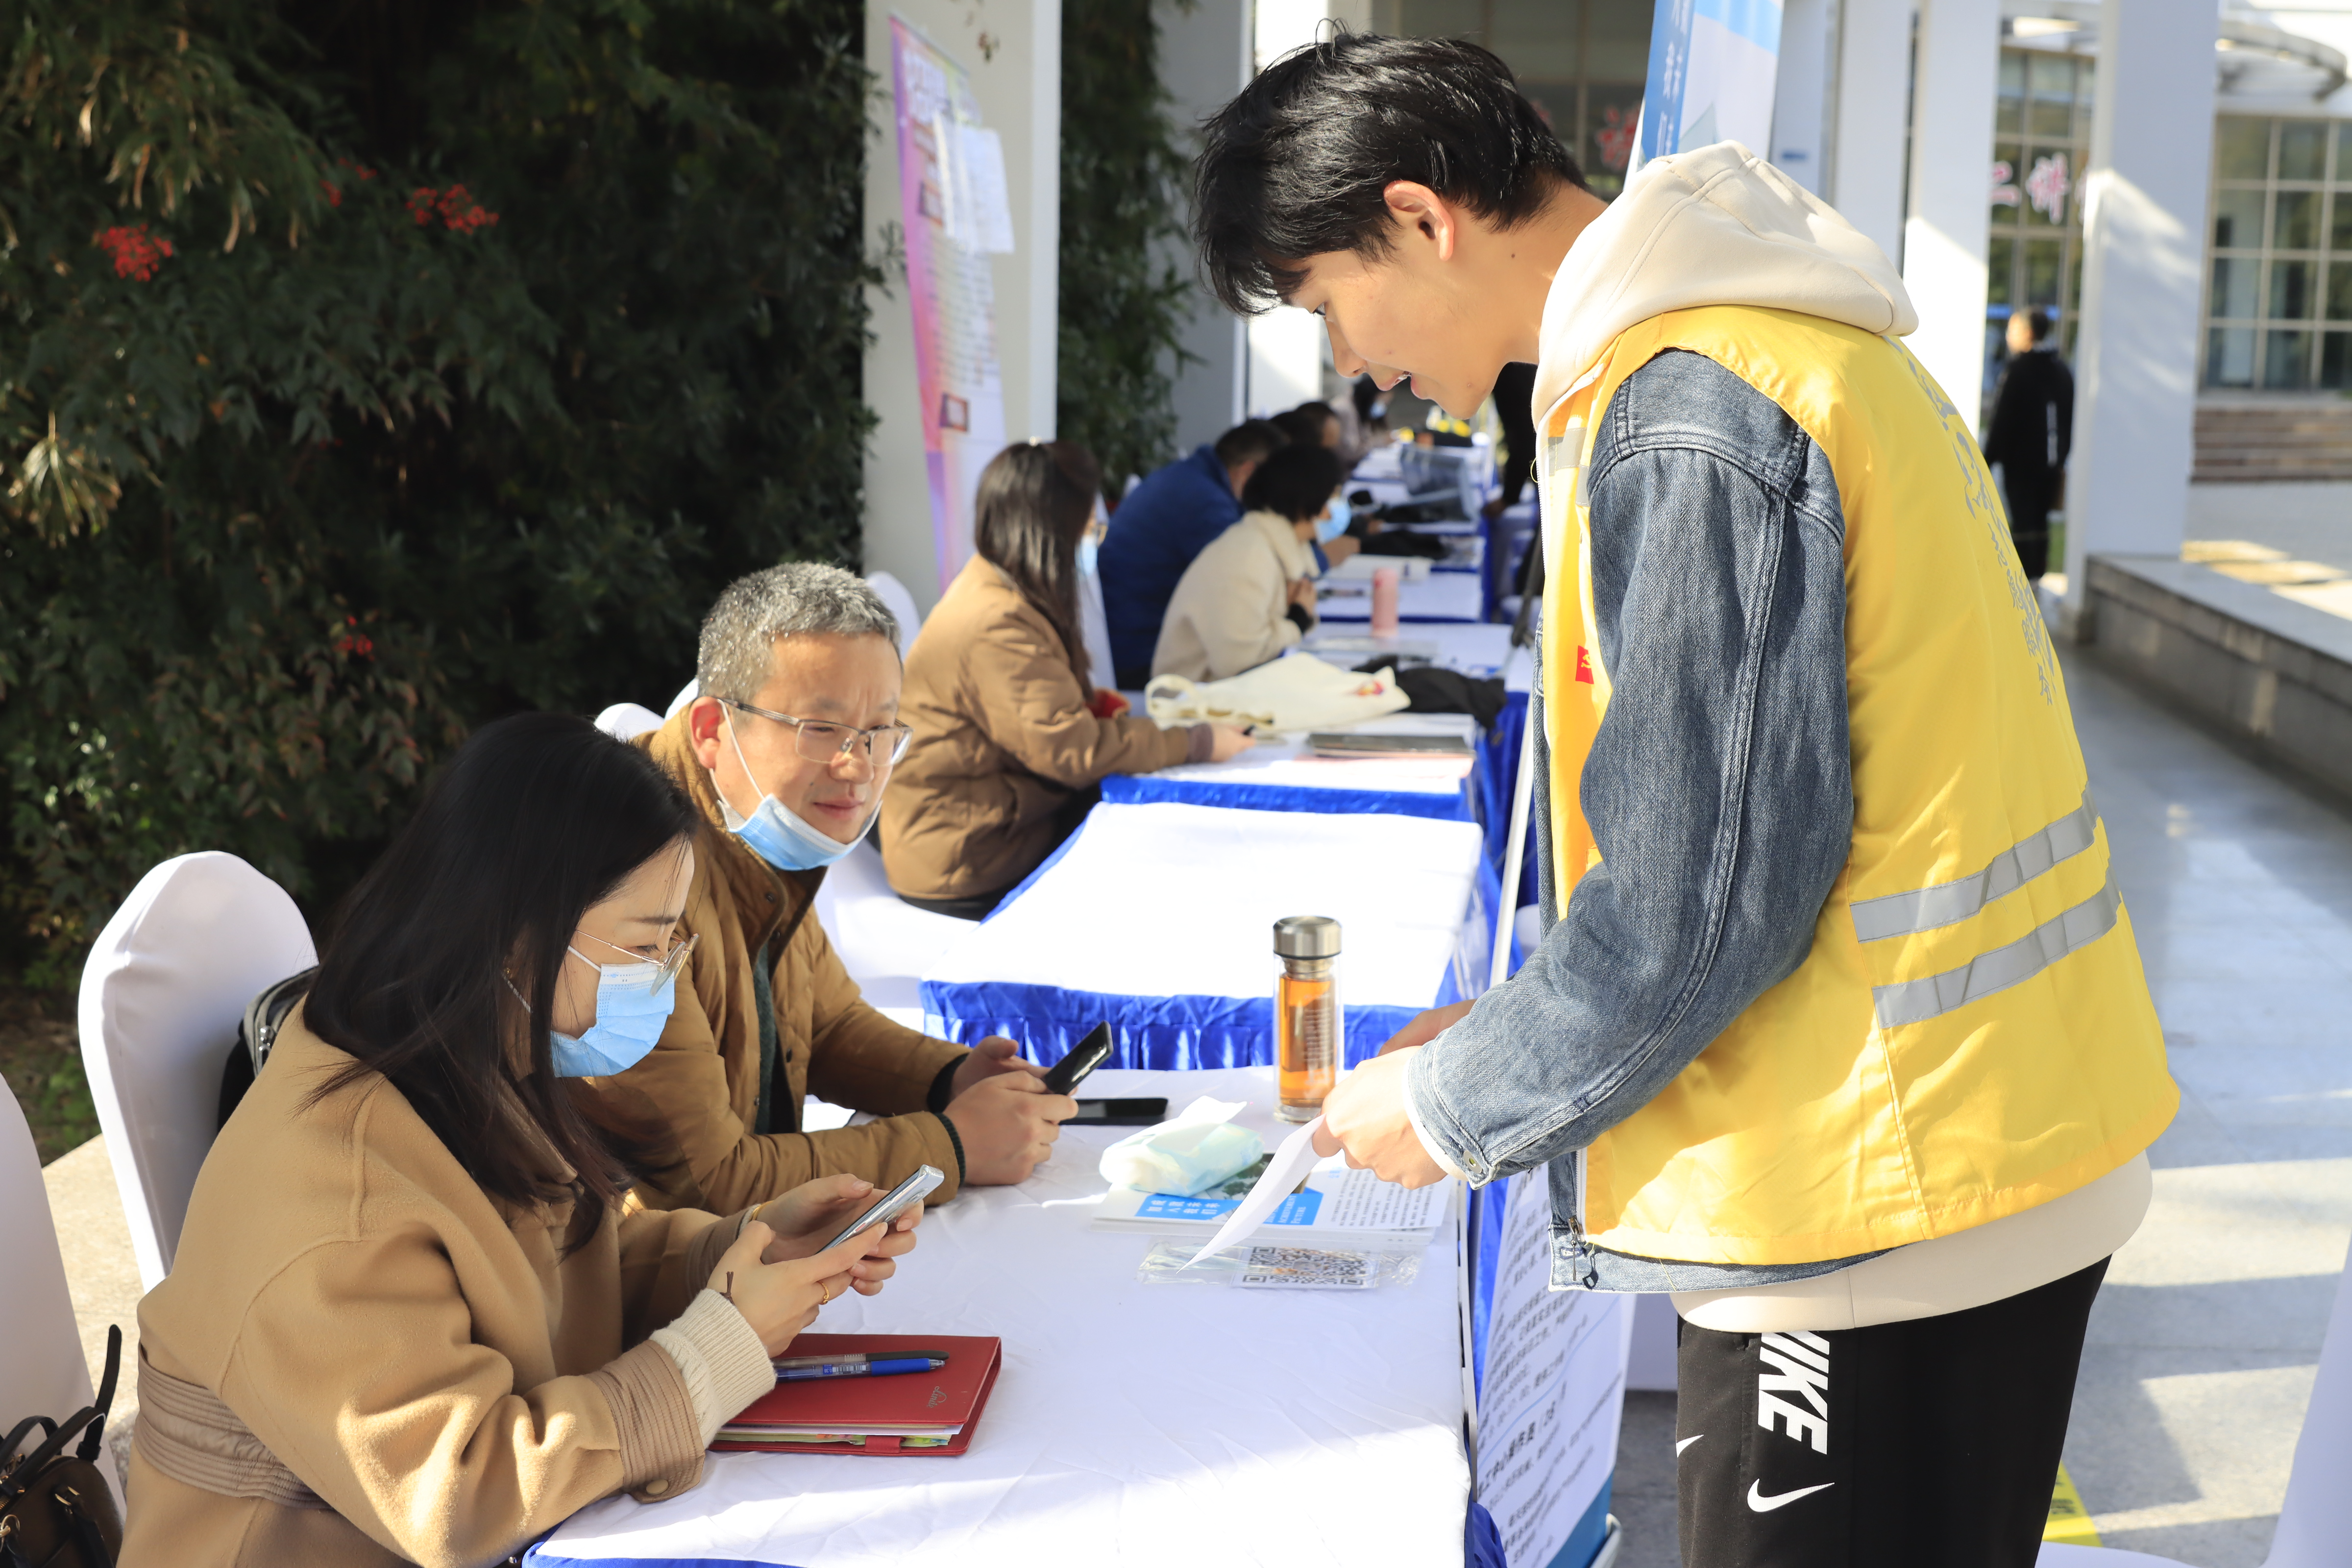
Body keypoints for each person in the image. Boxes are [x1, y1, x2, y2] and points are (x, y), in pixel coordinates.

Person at [1194, 36, 2175, 1568]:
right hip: (1958, 1143)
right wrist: (1512, 1019)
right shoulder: (1771, 355)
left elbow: (1701, 902)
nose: (1351, 360)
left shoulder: (1691, 411)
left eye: (1326, 301)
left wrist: (1455, 1108)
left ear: (1419, 217)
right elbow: (1765, 829)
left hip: (1870, 1203)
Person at [125, 714, 921, 1567]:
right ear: (518, 933)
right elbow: (456, 1499)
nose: (666, 974)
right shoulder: (340, 1184)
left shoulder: (463, 1062)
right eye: (646, 944)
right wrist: (716, 1351)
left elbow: (563, 1267)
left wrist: (743, 1246)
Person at [571, 564, 1076, 1216]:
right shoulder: (629, 878)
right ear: (712, 731)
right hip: (640, 1256)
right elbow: (705, 1180)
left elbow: (826, 1025)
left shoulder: (759, 825)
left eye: (880, 732)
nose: (858, 767)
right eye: (821, 729)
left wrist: (950, 1077)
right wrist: (951, 1146)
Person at [885, 441, 1255, 915]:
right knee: (1157, 855)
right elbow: (1072, 751)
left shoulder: (998, 589)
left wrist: (1094, 706)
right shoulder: (996, 621)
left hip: (988, 824)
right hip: (970, 855)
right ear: (1051, 530)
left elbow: (1044, 720)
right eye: (1088, 527)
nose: (1092, 540)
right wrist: (1197, 742)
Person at [1098, 418, 1289, 686]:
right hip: (1145, 657)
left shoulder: (1192, 478)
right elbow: (1240, 585)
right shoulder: (1205, 503)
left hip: (1132, 641)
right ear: (1247, 473)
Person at [1152, 442, 1347, 682]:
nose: (1332, 513)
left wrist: (1296, 619)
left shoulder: (1270, 548)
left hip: (1224, 693)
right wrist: (1297, 622)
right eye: (1330, 499)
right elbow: (1238, 663)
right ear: (1305, 500)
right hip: (1195, 698)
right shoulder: (1248, 557)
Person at [1983, 306, 2074, 580]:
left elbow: (2002, 419)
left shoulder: (2018, 370)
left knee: (2023, 523)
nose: (2008, 336)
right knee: (2040, 522)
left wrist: (1987, 460)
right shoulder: (2061, 370)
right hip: (2050, 464)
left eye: (2012, 329)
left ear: (2027, 333)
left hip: (2020, 465)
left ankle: (2021, 582)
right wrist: (2060, 457)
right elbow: (2069, 419)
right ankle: (2037, 579)